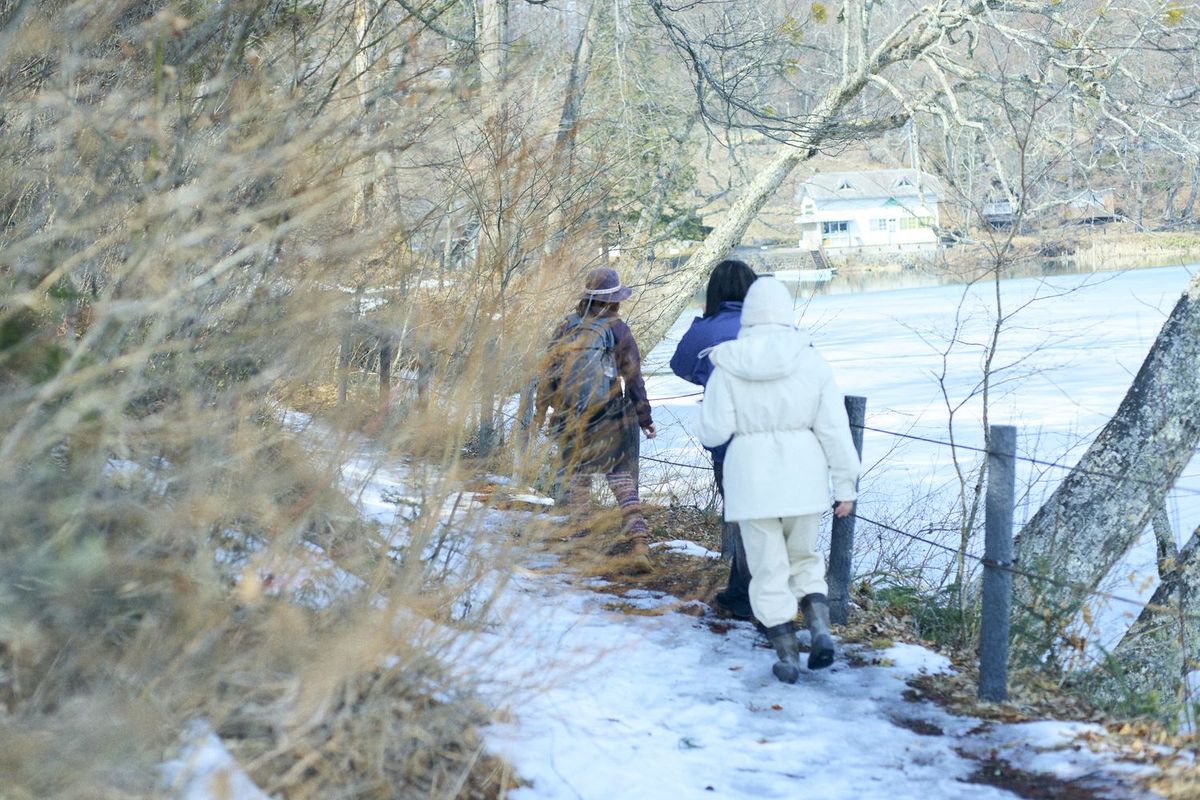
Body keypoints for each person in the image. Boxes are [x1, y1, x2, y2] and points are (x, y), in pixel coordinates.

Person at [693, 277, 860, 683]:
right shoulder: (812, 360)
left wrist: (709, 409)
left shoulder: (727, 363)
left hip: (751, 481)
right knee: (803, 558)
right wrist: (845, 486)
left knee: (767, 568)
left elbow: (713, 432)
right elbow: (835, 431)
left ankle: (787, 654)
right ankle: (819, 628)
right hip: (803, 478)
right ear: (787, 313)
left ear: (748, 314)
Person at [535, 267, 658, 574]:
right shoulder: (618, 329)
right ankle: (640, 544)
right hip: (609, 419)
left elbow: (547, 373)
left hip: (570, 421)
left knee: (578, 483)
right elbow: (634, 379)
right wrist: (644, 418)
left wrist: (543, 413)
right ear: (615, 300)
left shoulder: (566, 326)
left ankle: (578, 547)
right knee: (621, 480)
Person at [669, 259, 757, 618]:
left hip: (730, 440)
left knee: (744, 516)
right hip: (785, 436)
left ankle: (750, 596)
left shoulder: (708, 333)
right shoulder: (774, 328)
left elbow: (680, 364)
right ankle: (742, 591)